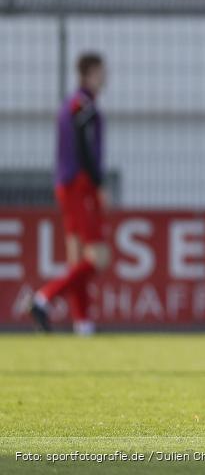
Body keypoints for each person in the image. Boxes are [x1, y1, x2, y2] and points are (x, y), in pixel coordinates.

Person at [30, 52, 110, 335]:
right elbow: (85, 148)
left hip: (66, 184)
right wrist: (99, 183)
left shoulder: (70, 105)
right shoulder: (83, 106)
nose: (105, 77)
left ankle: (83, 323)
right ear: (88, 74)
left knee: (77, 259)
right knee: (98, 257)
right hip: (80, 185)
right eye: (101, 72)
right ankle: (45, 297)